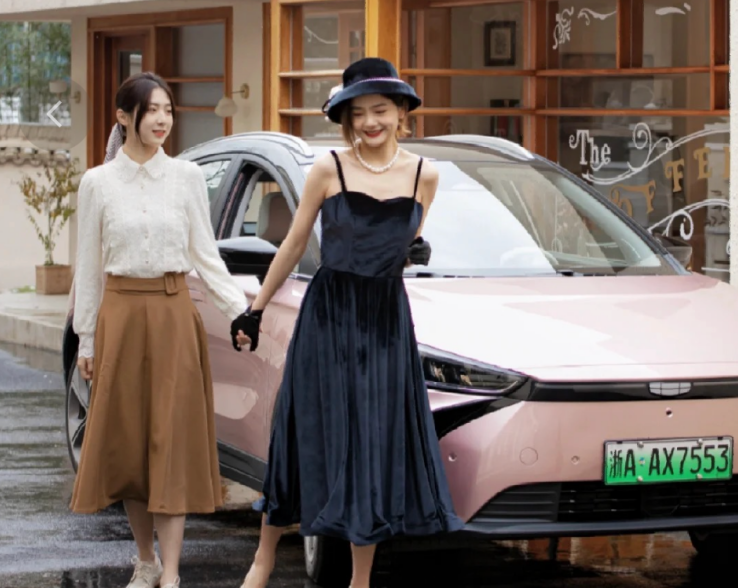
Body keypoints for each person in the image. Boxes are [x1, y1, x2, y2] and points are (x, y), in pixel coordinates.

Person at [232, 57, 463, 588]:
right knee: (304, 432)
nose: (369, 122)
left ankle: (360, 580)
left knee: (371, 445)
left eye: (379, 110)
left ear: (400, 111)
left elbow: (404, 241)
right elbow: (295, 243)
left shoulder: (425, 175)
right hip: (329, 317)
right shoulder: (327, 168)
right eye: (357, 113)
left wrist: (414, 250)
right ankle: (264, 558)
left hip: (385, 323)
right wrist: (256, 308)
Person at [71, 72, 249, 588]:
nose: (162, 119)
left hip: (174, 316)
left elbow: (205, 255)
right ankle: (145, 559)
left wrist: (239, 311)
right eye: (151, 109)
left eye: (168, 109)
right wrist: (86, 338)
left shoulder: (186, 178)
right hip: (121, 316)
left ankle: (171, 573)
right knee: (131, 446)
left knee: (170, 442)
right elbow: (89, 267)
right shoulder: (97, 183)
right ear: (123, 117)